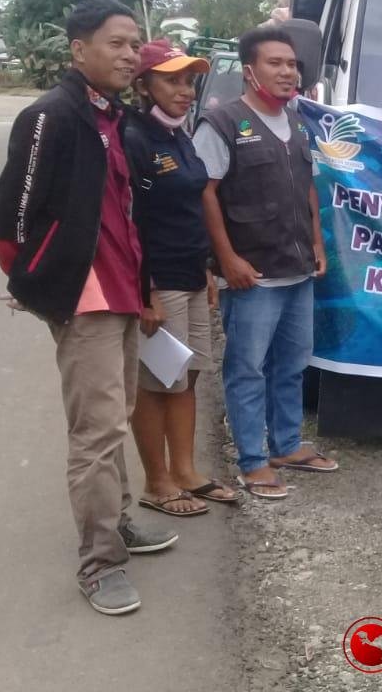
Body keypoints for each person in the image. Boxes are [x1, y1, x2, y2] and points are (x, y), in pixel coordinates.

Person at [0, 0, 176, 616]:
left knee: (115, 416)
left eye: (135, 44)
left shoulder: (111, 116)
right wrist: (35, 281)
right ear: (78, 49)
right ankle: (99, 563)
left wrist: (140, 286)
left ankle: (117, 520)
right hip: (84, 297)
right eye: (116, 43)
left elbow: (121, 209)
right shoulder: (52, 115)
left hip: (121, 289)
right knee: (96, 432)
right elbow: (10, 215)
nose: (130, 54)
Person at [193, 27, 335, 500]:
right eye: (275, 63)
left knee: (292, 365)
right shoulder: (222, 124)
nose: (287, 72)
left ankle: (286, 446)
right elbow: (204, 192)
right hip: (251, 276)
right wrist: (225, 258)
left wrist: (316, 243)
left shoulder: (296, 122)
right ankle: (252, 461)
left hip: (297, 269)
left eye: (292, 64)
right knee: (247, 368)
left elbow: (307, 186)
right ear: (250, 71)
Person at [124, 40, 239, 516]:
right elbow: (129, 222)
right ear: (143, 85)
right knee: (156, 383)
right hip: (159, 282)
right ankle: (158, 482)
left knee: (186, 377)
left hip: (190, 275)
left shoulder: (179, 135)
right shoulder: (134, 137)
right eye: (171, 80)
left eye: (189, 81)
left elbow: (190, 209)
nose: (185, 90)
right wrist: (143, 292)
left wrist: (206, 269)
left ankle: (187, 472)